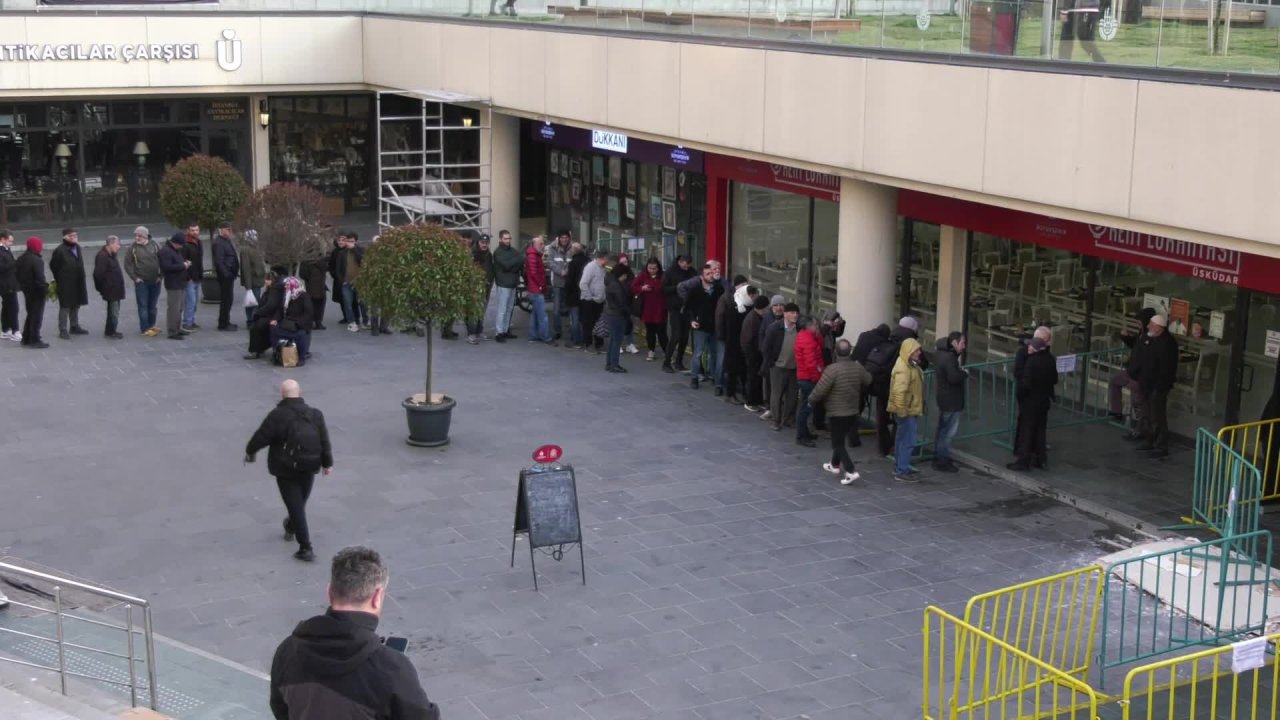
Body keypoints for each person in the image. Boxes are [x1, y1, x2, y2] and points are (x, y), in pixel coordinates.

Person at [269, 546, 439, 720]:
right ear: (377, 597)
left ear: (329, 592)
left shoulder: (288, 651)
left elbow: (280, 709)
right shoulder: (391, 668)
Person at [246, 379, 333, 562]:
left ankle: (305, 547)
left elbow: (261, 437)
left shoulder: (277, 415)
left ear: (282, 395)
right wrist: (327, 463)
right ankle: (292, 526)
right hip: (309, 466)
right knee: (299, 503)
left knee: (296, 506)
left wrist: (250, 451)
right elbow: (324, 440)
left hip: (285, 468)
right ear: (300, 393)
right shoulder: (315, 414)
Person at [809, 339, 872, 486]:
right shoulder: (857, 368)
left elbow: (820, 390)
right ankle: (834, 464)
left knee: (837, 443)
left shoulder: (832, 369)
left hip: (837, 412)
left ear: (835, 352)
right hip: (853, 410)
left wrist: (810, 400)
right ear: (849, 351)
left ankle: (850, 471)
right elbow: (868, 380)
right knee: (840, 438)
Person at [1008, 337, 1058, 471]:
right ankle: (1040, 459)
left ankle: (1023, 461)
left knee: (1026, 430)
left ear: (1035, 348)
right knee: (1040, 430)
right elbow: (1054, 379)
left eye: (1031, 347)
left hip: (1030, 402)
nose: (1028, 349)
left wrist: (1022, 396)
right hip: (1043, 400)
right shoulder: (1050, 359)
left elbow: (1026, 383)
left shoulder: (1032, 361)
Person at [1135, 314, 1179, 459]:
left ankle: (1161, 444)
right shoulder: (1150, 338)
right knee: (1147, 413)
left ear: (1159, 327)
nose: (1148, 327)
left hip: (1158, 386)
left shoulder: (1168, 344)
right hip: (1147, 383)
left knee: (1157, 416)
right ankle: (1150, 439)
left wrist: (1160, 386)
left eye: (1151, 325)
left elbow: (1166, 369)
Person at [1110, 307, 1157, 434]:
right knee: (1115, 381)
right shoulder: (1142, 333)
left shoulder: (1150, 337)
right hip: (1131, 371)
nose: (1138, 323)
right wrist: (1125, 338)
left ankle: (1141, 429)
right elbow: (1135, 344)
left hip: (1138, 375)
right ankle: (1117, 411)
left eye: (1140, 321)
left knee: (1138, 403)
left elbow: (1146, 358)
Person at [888, 337, 926, 483]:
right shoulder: (905, 368)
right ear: (908, 351)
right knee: (907, 440)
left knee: (901, 439)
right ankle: (901, 470)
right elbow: (899, 392)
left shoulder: (908, 364)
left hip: (907, 409)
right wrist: (902, 412)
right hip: (907, 411)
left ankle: (900, 466)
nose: (919, 352)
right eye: (916, 350)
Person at [684, 263, 725, 392]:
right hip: (700, 326)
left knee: (716, 355)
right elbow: (688, 307)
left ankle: (716, 380)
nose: (711, 276)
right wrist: (691, 320)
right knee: (698, 353)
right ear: (702, 277)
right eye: (708, 274)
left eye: (712, 273)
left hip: (715, 327)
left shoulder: (718, 289)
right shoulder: (695, 290)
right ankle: (694, 377)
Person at [933, 332, 968, 473]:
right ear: (954, 342)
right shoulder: (949, 358)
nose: (964, 346)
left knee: (942, 429)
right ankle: (942, 460)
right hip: (951, 400)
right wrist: (964, 373)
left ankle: (939, 456)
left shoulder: (940, 353)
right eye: (962, 343)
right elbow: (953, 377)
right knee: (947, 432)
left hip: (943, 398)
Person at [764, 303, 801, 431]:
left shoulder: (800, 329)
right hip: (778, 366)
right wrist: (770, 363)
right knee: (777, 394)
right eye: (791, 312)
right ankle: (775, 420)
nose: (795, 315)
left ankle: (789, 419)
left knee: (792, 395)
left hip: (794, 367)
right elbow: (767, 347)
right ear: (785, 314)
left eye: (796, 313)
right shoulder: (774, 328)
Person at [717, 277, 755, 403]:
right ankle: (730, 393)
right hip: (733, 342)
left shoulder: (750, 306)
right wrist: (722, 336)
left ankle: (745, 392)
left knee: (744, 368)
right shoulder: (732, 303)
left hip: (744, 342)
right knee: (732, 369)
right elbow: (722, 320)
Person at [49, 228, 88, 340]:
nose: (74, 237)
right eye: (71, 236)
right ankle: (63, 330)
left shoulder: (77, 247)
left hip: (78, 281)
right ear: (65, 237)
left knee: (76, 304)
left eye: (75, 235)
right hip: (65, 283)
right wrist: (61, 278)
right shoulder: (59, 250)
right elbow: (53, 266)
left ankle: (74, 326)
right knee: (65, 306)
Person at [123, 227, 161, 336]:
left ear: (146, 236)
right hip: (142, 283)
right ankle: (145, 329)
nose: (137, 238)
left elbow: (163, 259)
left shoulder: (155, 245)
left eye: (139, 236)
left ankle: (152, 326)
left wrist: (160, 275)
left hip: (156, 281)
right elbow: (127, 264)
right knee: (143, 306)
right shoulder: (132, 248)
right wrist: (135, 278)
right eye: (136, 235)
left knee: (152, 306)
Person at [661, 255, 695, 372]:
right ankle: (667, 362)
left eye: (688, 264)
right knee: (676, 335)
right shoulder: (670, 272)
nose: (686, 266)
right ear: (680, 262)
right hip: (674, 307)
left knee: (685, 336)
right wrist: (678, 287)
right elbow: (664, 289)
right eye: (684, 263)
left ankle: (679, 361)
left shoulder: (692, 272)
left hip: (687, 308)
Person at [794, 315, 824, 447]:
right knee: (806, 408)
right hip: (808, 378)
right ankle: (801, 435)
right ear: (807, 326)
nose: (816, 327)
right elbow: (811, 363)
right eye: (814, 325)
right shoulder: (807, 340)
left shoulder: (807, 337)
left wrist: (817, 335)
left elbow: (819, 346)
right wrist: (816, 377)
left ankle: (804, 432)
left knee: (805, 406)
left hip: (806, 376)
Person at [271, 276, 315, 365]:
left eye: (287, 285)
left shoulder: (303, 296)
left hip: (299, 324)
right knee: (274, 330)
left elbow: (308, 314)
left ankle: (301, 357)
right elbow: (280, 309)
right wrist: (275, 319)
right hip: (288, 323)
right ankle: (277, 353)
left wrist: (298, 324)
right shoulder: (287, 295)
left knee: (300, 335)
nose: (286, 287)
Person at [329, 232, 368, 332]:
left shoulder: (361, 250)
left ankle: (365, 321)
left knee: (363, 303)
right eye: (348, 241)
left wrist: (354, 249)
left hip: (360, 282)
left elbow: (362, 261)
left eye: (352, 241)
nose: (349, 243)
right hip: (347, 283)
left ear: (356, 241)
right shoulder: (342, 253)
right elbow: (338, 269)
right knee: (348, 304)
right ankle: (352, 322)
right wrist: (342, 281)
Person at [631, 257, 668, 361]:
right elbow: (633, 286)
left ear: (658, 268)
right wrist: (642, 288)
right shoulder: (642, 275)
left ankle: (666, 352)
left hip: (661, 308)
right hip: (647, 308)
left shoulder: (663, 276)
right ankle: (651, 351)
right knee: (650, 331)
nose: (652, 270)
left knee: (662, 332)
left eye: (654, 268)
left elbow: (667, 288)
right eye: (650, 268)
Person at [15, 238, 48, 349]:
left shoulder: (21, 258)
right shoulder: (37, 260)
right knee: (36, 316)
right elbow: (40, 278)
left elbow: (17, 274)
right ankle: (34, 339)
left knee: (30, 313)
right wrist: (45, 289)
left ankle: (26, 337)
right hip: (37, 291)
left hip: (27, 290)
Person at [158, 233, 192, 340]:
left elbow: (177, 262)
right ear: (175, 243)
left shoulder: (175, 250)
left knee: (180, 308)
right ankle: (172, 331)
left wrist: (184, 263)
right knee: (174, 308)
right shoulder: (166, 251)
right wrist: (183, 265)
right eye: (181, 244)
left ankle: (177, 327)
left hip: (180, 283)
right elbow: (167, 267)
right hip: (173, 284)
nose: (182, 246)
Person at [757, 295, 786, 419]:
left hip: (784, 357)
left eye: (781, 305)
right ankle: (769, 407)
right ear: (771, 307)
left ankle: (780, 408)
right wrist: (764, 351)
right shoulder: (767, 318)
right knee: (768, 383)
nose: (778, 308)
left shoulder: (787, 318)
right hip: (770, 357)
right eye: (776, 305)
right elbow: (761, 334)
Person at [740, 295, 771, 413]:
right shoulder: (753, 319)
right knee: (753, 378)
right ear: (763, 308)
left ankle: (757, 401)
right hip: (753, 354)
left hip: (755, 353)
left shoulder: (756, 317)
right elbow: (748, 340)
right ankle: (750, 402)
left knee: (757, 378)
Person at [92, 235, 126, 339]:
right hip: (111, 289)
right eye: (117, 244)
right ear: (110, 244)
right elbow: (98, 275)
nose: (119, 246)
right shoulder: (102, 256)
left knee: (113, 311)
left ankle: (110, 330)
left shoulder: (112, 255)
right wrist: (102, 288)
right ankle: (111, 332)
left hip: (116, 289)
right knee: (113, 312)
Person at [491, 230, 522, 341]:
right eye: (505, 238)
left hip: (512, 283)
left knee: (509, 309)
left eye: (509, 238)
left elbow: (519, 263)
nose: (508, 240)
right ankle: (499, 333)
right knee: (502, 309)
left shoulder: (513, 251)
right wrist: (515, 263)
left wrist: (513, 265)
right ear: (500, 239)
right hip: (503, 284)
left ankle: (505, 329)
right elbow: (507, 266)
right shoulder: (498, 252)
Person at [603, 261, 633, 373]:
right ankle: (614, 364)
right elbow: (622, 302)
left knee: (612, 340)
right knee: (617, 340)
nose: (625, 277)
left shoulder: (610, 283)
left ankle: (609, 363)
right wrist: (628, 312)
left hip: (611, 314)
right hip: (618, 315)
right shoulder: (617, 286)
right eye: (624, 275)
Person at [247, 271, 284, 359]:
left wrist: (258, 313)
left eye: (268, 280)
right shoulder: (271, 289)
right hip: (270, 314)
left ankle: (255, 350)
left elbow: (270, 305)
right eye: (266, 279)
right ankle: (258, 349)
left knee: (255, 327)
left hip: (272, 316)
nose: (266, 281)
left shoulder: (274, 290)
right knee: (257, 326)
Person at [525, 235, 554, 345]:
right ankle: (546, 337)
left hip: (534, 288)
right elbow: (534, 273)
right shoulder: (533, 256)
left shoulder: (533, 254)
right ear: (534, 244)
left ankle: (533, 336)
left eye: (542, 243)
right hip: (536, 289)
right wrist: (542, 285)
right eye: (540, 244)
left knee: (535, 314)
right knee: (542, 315)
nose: (542, 246)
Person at [578, 249, 608, 353]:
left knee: (599, 323)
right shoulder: (590, 267)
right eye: (606, 259)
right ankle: (588, 344)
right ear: (602, 258)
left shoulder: (603, 268)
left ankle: (599, 344)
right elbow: (583, 283)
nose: (607, 261)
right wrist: (590, 297)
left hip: (599, 300)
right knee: (588, 323)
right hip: (589, 300)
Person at [467, 233, 495, 344]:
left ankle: (479, 331)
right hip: (475, 287)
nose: (484, 245)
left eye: (486, 243)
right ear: (479, 242)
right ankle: (471, 334)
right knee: (473, 311)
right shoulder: (472, 253)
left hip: (486, 287)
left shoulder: (488, 254)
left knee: (482, 311)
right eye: (482, 242)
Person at [212, 222, 240, 331]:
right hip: (225, 276)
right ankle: (223, 323)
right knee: (226, 300)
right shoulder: (219, 243)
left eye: (230, 229)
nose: (230, 231)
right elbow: (219, 261)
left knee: (228, 299)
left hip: (229, 274)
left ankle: (226, 321)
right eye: (228, 229)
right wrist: (226, 273)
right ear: (221, 230)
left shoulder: (226, 241)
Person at [546, 230, 573, 341]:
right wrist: (560, 271)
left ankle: (573, 330)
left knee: (572, 309)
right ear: (558, 238)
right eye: (562, 237)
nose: (564, 239)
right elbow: (549, 262)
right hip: (557, 283)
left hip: (570, 283)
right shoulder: (552, 248)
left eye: (566, 237)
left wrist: (567, 271)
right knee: (556, 310)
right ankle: (557, 331)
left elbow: (574, 262)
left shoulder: (573, 248)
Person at [239, 229, 266, 326]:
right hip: (252, 281)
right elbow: (245, 268)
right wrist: (248, 285)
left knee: (255, 301)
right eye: (254, 236)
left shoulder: (255, 247)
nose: (256, 238)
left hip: (257, 280)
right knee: (251, 302)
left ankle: (253, 319)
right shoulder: (246, 250)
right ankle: (251, 320)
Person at [180, 223, 203, 332]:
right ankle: (186, 323)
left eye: (197, 230)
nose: (195, 232)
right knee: (190, 301)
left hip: (197, 276)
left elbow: (199, 261)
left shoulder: (198, 242)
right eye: (192, 230)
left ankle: (191, 321)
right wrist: (187, 277)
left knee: (194, 302)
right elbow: (183, 261)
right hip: (189, 278)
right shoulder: (185, 244)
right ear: (188, 231)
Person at [564, 242, 588, 348]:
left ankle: (576, 341)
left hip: (574, 294)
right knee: (584, 318)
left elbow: (569, 281)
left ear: (574, 251)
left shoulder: (573, 263)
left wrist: (566, 293)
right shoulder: (588, 261)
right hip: (586, 294)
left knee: (575, 319)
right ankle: (585, 339)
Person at [302, 253, 328, 332]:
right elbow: (326, 268)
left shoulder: (306, 261)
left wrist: (308, 279)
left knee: (311, 305)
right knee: (320, 306)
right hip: (320, 287)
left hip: (310, 286)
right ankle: (318, 322)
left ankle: (312, 322)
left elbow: (302, 274)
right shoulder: (322, 261)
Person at [0, 230, 18, 343]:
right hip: (5, 284)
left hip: (8, 282)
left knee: (7, 306)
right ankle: (15, 331)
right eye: (10, 241)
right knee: (13, 306)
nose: (11, 243)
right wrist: (16, 263)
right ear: (3, 239)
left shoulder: (6, 249)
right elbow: (2, 267)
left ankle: (5, 330)